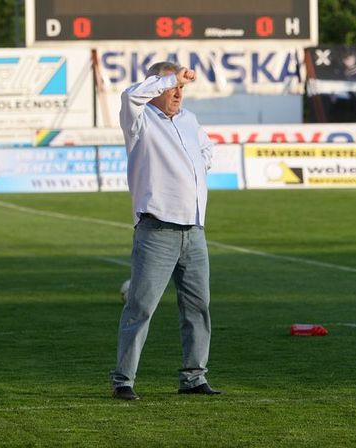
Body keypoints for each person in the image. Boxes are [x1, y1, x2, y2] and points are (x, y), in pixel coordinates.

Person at [109, 61, 220, 400]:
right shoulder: (140, 120)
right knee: (141, 308)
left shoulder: (189, 120)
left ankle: (194, 377)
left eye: (181, 88)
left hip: (194, 231)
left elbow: (207, 148)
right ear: (156, 86)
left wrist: (200, 166)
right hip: (157, 230)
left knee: (198, 308)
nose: (177, 93)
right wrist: (168, 78)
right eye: (171, 87)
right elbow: (130, 95)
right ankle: (123, 380)